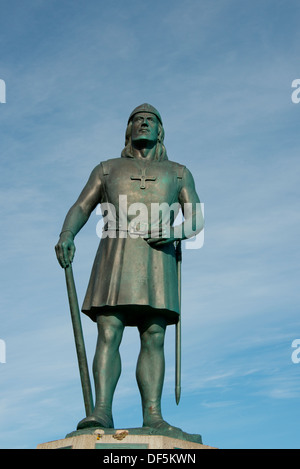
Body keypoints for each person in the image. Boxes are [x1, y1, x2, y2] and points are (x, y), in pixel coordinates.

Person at [55, 104, 204, 439]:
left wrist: (176, 231)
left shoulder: (178, 172)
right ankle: (101, 411)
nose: (143, 123)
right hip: (115, 254)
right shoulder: (107, 169)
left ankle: (153, 415)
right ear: (129, 129)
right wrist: (67, 234)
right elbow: (82, 205)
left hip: (157, 256)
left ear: (160, 130)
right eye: (137, 120)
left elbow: (196, 216)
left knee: (154, 335)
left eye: (150, 120)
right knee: (109, 331)